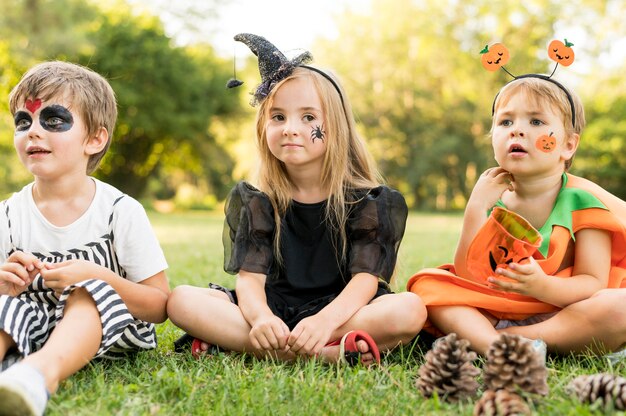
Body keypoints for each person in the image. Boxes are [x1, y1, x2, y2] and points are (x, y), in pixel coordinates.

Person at [167, 33, 426, 366]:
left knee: (409, 309)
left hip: (340, 313)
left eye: (308, 118)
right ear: (263, 128)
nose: (290, 128)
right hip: (272, 312)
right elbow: (249, 279)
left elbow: (365, 281)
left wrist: (325, 322)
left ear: (336, 127)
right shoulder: (258, 201)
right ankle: (323, 355)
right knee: (181, 300)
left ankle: (264, 349)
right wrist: (261, 318)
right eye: (278, 117)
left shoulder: (368, 202)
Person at [407, 60, 626, 357]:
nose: (517, 131)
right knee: (428, 286)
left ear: (568, 145)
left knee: (619, 308)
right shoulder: (492, 199)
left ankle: (501, 341)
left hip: (562, 311)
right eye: (505, 122)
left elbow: (592, 284)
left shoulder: (583, 203)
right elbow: (466, 276)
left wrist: (542, 286)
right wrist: (476, 208)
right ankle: (498, 344)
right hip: (497, 306)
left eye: (535, 122)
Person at [0, 61, 169, 416]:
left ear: (95, 139)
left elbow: (158, 306)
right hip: (29, 326)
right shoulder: (8, 215)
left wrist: (99, 277)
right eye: (23, 121)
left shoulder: (119, 211)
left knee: (86, 295)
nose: (33, 132)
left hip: (100, 327)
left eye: (53, 120)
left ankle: (36, 376)